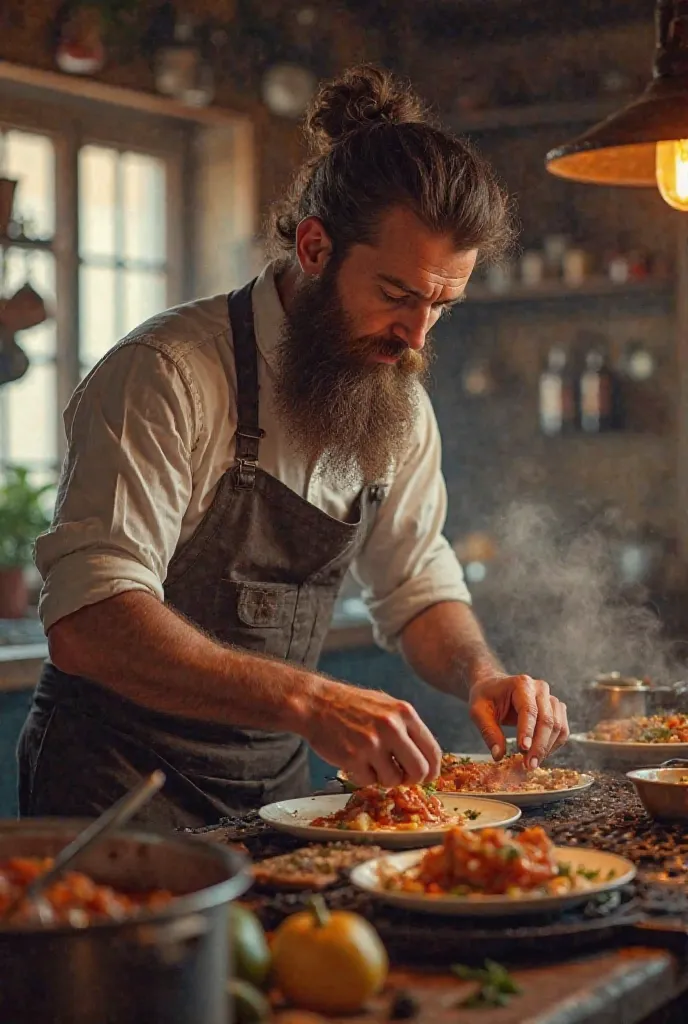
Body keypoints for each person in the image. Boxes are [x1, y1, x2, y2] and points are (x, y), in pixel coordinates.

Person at [18, 65, 569, 829]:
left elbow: (414, 585)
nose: (417, 337)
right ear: (314, 247)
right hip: (114, 798)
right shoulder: (166, 373)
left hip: (277, 798)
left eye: (442, 304)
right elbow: (90, 622)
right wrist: (309, 699)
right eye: (397, 294)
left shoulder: (399, 401)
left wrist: (482, 674)